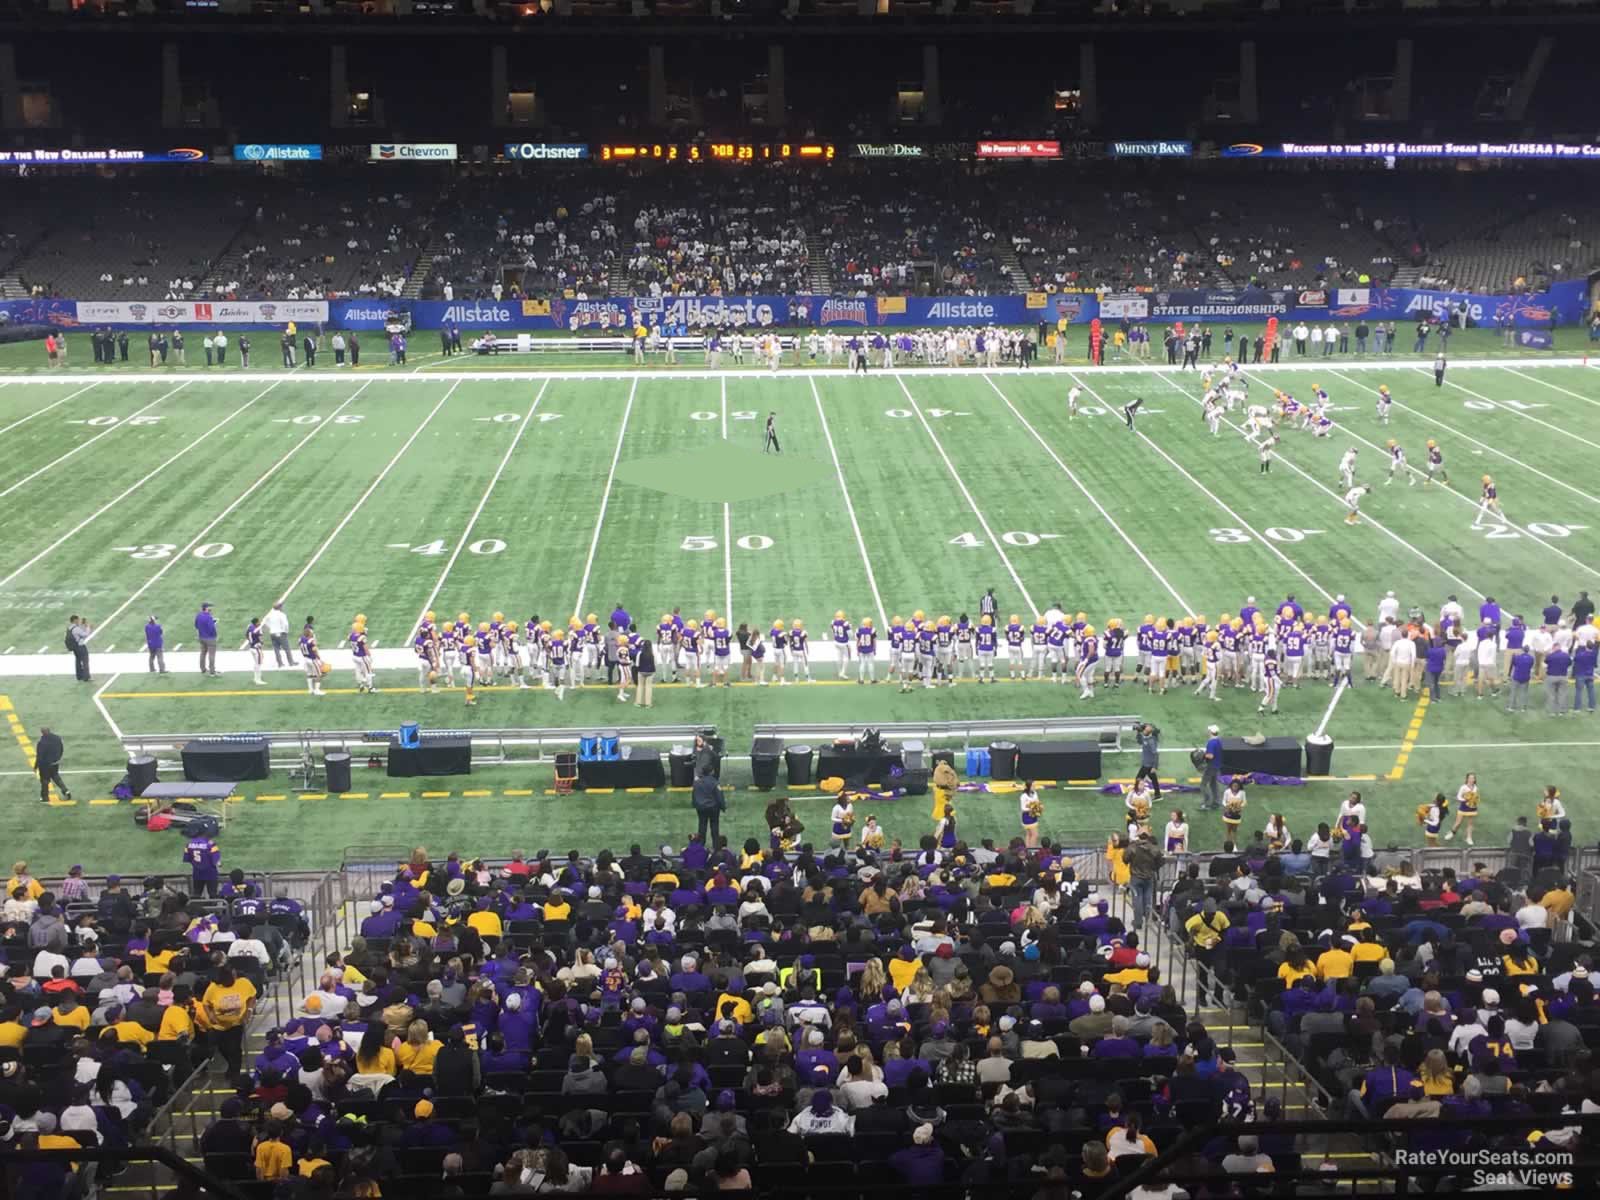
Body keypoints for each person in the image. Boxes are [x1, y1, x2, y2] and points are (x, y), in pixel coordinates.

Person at [35, 727, 69, 804]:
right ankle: (66, 791)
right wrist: (58, 758)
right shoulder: (57, 739)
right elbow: (61, 748)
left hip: (45, 765)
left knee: (44, 780)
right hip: (55, 762)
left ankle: (45, 797)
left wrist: (36, 766)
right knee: (56, 776)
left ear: (42, 733)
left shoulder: (42, 742)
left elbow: (39, 756)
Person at [693, 768, 725, 845]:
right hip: (713, 808)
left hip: (701, 807)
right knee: (714, 827)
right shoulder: (715, 782)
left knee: (702, 826)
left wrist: (695, 804)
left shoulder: (697, 783)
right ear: (712, 772)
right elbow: (719, 795)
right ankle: (716, 844)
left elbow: (694, 795)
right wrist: (722, 806)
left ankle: (700, 844)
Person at [1199, 723, 1222, 811]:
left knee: (1203, 785)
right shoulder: (1218, 741)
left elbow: (1210, 756)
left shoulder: (1211, 742)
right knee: (1213, 784)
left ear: (1211, 732)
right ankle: (1216, 802)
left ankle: (1207, 803)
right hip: (1217, 766)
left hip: (1211, 766)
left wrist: (1204, 755)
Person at [1134, 723, 1161, 799]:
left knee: (1138, 779)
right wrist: (1138, 732)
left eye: (1145, 729)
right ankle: (1158, 795)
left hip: (1148, 765)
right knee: (1154, 780)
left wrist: (1154, 767)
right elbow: (1140, 741)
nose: (1144, 731)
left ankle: (1137, 793)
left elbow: (1156, 754)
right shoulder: (1147, 738)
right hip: (1146, 764)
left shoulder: (1151, 741)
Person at [263, 601, 294, 666]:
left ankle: (280, 663)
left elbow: (265, 621)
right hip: (280, 632)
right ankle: (291, 662)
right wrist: (286, 631)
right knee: (287, 648)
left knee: (276, 649)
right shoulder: (282, 614)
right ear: (279, 607)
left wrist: (270, 627)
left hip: (272, 633)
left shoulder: (270, 614)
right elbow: (285, 624)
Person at [195, 602, 219, 676]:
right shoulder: (208, 616)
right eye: (209, 607)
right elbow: (211, 628)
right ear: (206, 608)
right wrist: (215, 634)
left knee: (203, 653)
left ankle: (203, 669)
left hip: (201, 637)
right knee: (211, 655)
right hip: (210, 638)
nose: (211, 608)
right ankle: (212, 671)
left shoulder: (198, 615)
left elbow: (196, 625)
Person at [66, 615, 90, 682]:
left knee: (78, 661)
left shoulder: (70, 628)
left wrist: (82, 625)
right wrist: (87, 627)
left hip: (75, 647)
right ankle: (86, 677)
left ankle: (79, 676)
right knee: (85, 661)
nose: (79, 621)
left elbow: (77, 632)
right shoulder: (76, 628)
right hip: (80, 646)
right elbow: (85, 634)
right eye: (78, 620)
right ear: (75, 620)